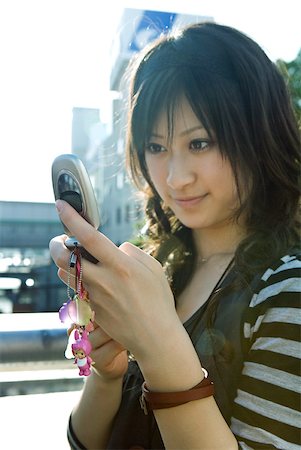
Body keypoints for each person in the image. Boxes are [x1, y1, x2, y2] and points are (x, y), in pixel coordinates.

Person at [49, 21, 301, 449]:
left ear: (259, 135)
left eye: (200, 143)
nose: (175, 177)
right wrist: (108, 375)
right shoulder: (157, 267)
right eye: (156, 147)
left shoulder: (288, 287)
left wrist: (158, 345)